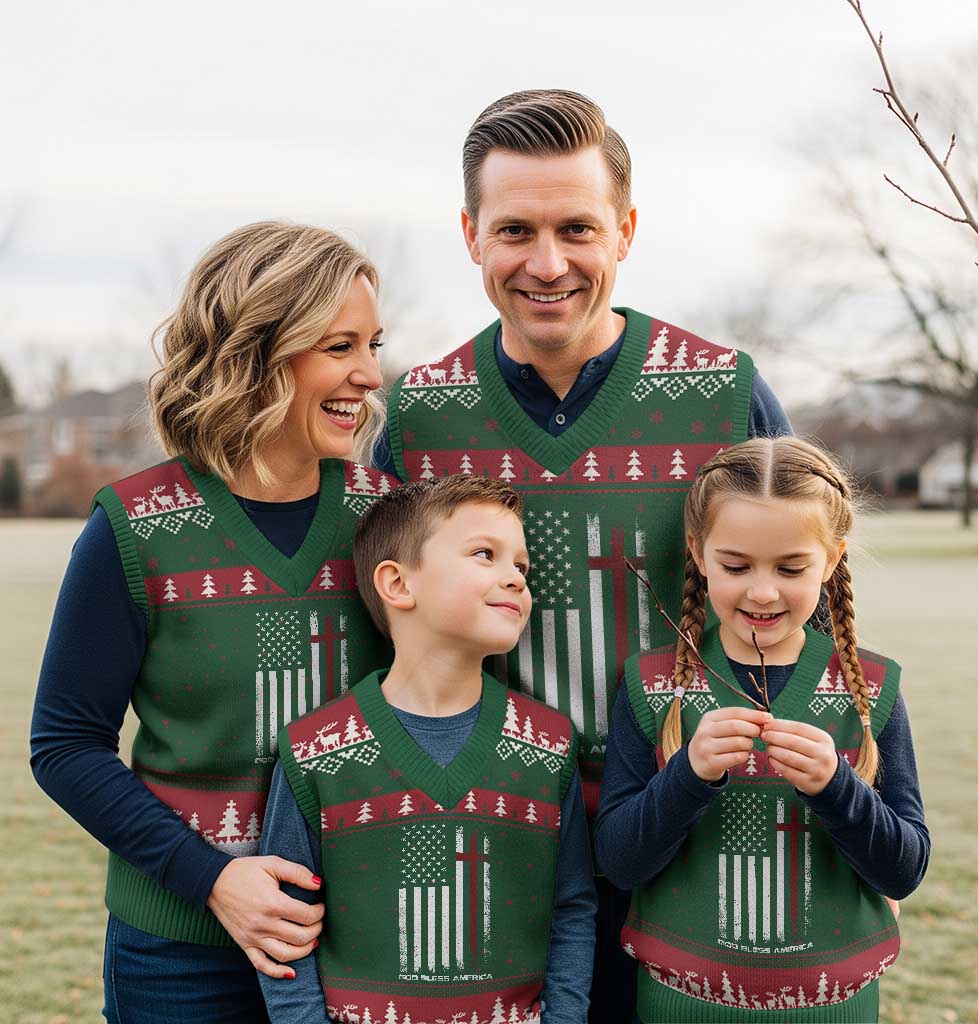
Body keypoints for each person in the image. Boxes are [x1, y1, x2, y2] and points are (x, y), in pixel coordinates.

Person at [373, 88, 792, 1022]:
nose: (548, 262)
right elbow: (385, 635)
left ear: (627, 230)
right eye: (515, 229)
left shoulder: (722, 395)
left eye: (578, 227)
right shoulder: (419, 418)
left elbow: (809, 607)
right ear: (471, 234)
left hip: (702, 825)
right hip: (498, 838)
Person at [30, 221, 400, 1023]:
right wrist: (214, 879)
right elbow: (63, 745)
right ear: (259, 354)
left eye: (374, 344)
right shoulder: (132, 528)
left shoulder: (389, 522)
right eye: (341, 347)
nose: (371, 375)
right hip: (176, 953)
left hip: (359, 944)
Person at [594, 437, 930, 1024]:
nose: (763, 590)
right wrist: (688, 776)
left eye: (791, 567)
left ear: (831, 560)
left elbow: (903, 869)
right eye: (736, 565)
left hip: (836, 1007)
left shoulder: (870, 690)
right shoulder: (651, 686)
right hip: (679, 1005)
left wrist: (837, 786)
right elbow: (620, 863)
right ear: (697, 553)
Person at [257, 474, 596, 1024]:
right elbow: (286, 928)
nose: (515, 578)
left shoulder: (550, 744)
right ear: (397, 584)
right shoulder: (313, 751)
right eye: (485, 554)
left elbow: (571, 908)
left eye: (522, 567)